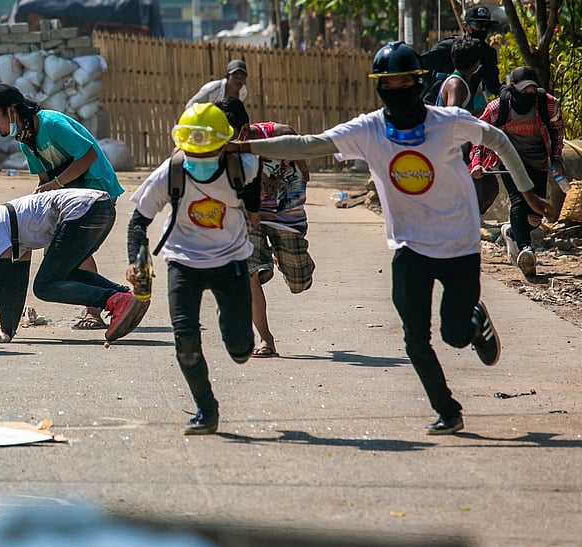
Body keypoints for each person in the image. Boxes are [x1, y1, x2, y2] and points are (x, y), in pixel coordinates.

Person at [227, 41, 552, 436]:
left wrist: (528, 190)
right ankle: (448, 410)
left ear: (418, 83)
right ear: (380, 87)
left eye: (405, 82)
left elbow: (497, 140)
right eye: (389, 83)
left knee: (452, 334)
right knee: (415, 338)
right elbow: (309, 145)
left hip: (458, 244)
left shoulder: (446, 121)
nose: (398, 90)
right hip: (409, 246)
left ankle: (473, 319)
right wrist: (243, 145)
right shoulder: (369, 129)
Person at [124, 103, 261, 435]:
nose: (199, 155)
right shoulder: (170, 172)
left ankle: (229, 320)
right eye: (193, 147)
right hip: (182, 262)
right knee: (185, 343)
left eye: (208, 147)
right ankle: (206, 410)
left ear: (223, 143)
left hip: (231, 262)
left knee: (242, 350)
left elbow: (254, 205)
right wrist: (135, 260)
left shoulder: (243, 167)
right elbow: (138, 223)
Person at [0, 83, 124, 329]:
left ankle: (96, 309)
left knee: (75, 253)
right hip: (72, 194)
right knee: (62, 253)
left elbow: (88, 155)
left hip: (98, 188)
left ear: (12, 111)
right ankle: (116, 297)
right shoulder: (25, 140)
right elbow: (44, 181)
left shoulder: (51, 124)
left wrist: (56, 184)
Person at [0, 189, 145, 344]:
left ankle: (115, 300)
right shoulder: (8, 222)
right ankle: (124, 296)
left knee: (45, 286)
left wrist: (2, 331)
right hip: (100, 207)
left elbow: (3, 281)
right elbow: (18, 281)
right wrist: (10, 329)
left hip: (83, 211)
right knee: (65, 273)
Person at [215, 98, 313, 359]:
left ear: (244, 129)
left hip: (286, 218)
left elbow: (304, 169)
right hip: (249, 218)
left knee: (299, 283)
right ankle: (265, 338)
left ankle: (286, 262)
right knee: (250, 275)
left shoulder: (280, 135)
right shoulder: (220, 149)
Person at [469, 66, 566, 279]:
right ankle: (526, 250)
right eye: (524, 91)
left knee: (535, 216)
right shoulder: (498, 108)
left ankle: (512, 232)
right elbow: (479, 135)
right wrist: (476, 162)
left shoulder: (547, 103)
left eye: (532, 91)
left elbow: (558, 130)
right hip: (508, 160)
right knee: (520, 201)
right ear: (512, 89)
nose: (529, 95)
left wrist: (556, 158)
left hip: (538, 161)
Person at [436, 36, 488, 115]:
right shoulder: (456, 84)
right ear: (477, 63)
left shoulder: (460, 81)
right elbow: (454, 115)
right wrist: (482, 112)